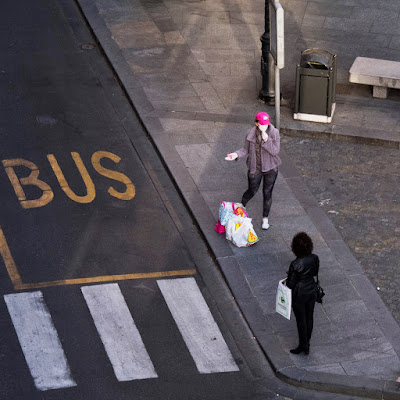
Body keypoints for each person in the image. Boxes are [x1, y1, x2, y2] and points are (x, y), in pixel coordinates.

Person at [225, 112, 281, 230]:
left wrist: (267, 140)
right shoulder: (250, 134)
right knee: (252, 189)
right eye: (262, 124)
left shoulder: (274, 133)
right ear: (256, 123)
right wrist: (235, 155)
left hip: (271, 168)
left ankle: (265, 218)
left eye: (266, 124)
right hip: (255, 167)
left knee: (267, 193)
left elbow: (275, 151)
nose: (265, 127)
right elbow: (245, 150)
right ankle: (241, 206)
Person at [286, 232, 319, 355]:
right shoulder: (314, 258)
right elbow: (315, 273)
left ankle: (302, 344)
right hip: (311, 290)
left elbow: (290, 284)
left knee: (301, 320)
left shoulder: (295, 264)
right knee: (309, 316)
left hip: (299, 294)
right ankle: (307, 344)